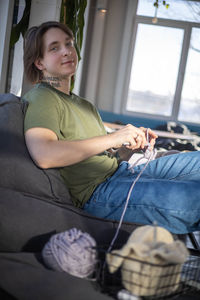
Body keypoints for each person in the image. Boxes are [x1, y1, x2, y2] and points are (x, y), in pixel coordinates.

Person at [23, 21, 200, 234]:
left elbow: (108, 155)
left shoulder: (84, 105)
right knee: (194, 197)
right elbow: (44, 154)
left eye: (69, 44)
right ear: (39, 63)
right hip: (99, 193)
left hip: (123, 172)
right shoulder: (43, 97)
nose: (67, 51)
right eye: (54, 48)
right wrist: (115, 137)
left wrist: (128, 144)